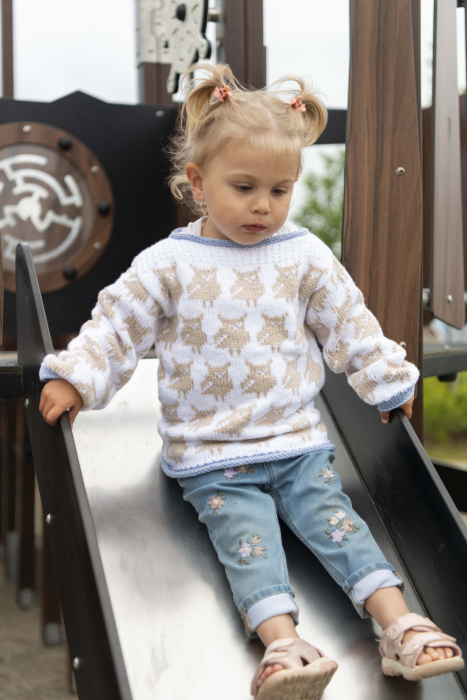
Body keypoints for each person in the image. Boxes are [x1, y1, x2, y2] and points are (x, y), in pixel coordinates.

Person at [38, 63, 463, 700]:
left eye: (280, 189)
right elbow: (117, 324)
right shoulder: (170, 263)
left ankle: (400, 626)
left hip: (297, 443)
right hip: (212, 454)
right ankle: (284, 646)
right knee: (248, 545)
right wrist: (77, 377)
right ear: (198, 182)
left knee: (339, 525)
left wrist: (384, 379)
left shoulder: (303, 254)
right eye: (244, 187)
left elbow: (348, 320)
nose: (263, 205)